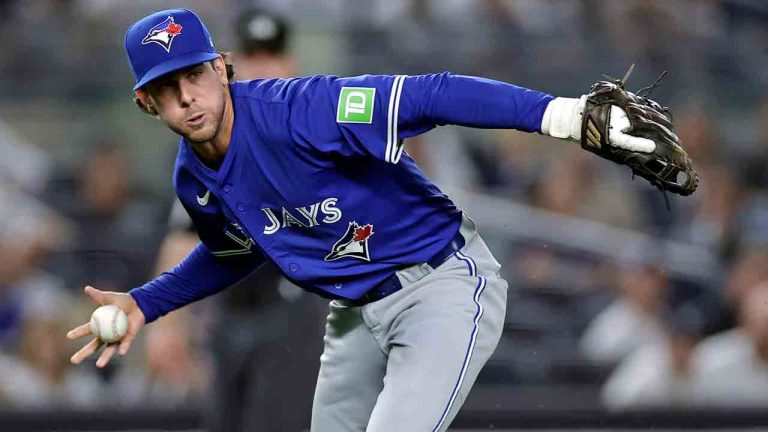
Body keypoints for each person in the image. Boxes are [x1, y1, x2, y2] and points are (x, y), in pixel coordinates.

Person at [67, 9, 683, 431]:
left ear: (222, 67)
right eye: (166, 87)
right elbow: (234, 250)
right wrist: (147, 303)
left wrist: (563, 116)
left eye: (195, 75)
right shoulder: (191, 175)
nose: (187, 97)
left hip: (438, 283)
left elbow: (430, 94)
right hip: (353, 313)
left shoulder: (299, 109)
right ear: (145, 102)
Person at [153, 9, 324, 431]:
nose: (264, 66)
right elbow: (183, 233)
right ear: (228, 68)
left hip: (301, 311)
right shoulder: (210, 144)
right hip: (234, 316)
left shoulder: (315, 125)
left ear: (291, 65)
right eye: (253, 55)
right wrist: (166, 324)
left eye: (273, 54)